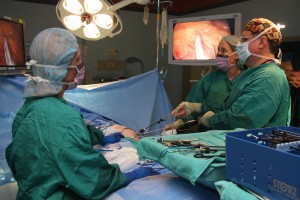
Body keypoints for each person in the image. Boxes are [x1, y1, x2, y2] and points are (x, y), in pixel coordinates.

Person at [5, 28, 157, 199]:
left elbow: (52, 145)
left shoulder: (32, 106)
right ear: (60, 68)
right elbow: (91, 178)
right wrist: (130, 176)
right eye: (77, 60)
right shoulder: (60, 116)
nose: (81, 66)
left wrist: (96, 136)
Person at [185, 18, 290, 129]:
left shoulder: (268, 76)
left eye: (244, 40)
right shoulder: (251, 74)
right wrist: (197, 107)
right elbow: (229, 106)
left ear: (262, 42)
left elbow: (242, 118)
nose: (239, 45)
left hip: (257, 144)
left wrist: (212, 120)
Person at [164, 35, 242, 132]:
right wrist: (179, 124)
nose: (219, 54)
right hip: (208, 137)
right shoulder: (209, 80)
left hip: (236, 135)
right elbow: (190, 108)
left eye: (224, 50)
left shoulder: (247, 79)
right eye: (218, 50)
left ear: (237, 54)